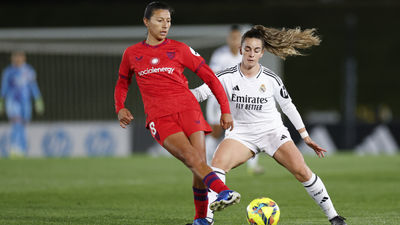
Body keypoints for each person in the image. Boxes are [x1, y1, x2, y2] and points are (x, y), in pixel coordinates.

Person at [191, 25, 347, 225]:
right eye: (247, 49)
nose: (251, 54)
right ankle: (207, 220)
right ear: (241, 50)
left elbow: (288, 106)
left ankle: (334, 216)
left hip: (272, 133)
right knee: (217, 165)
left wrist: (305, 136)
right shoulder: (225, 76)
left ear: (262, 53)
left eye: (256, 50)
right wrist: (176, 94)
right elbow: (201, 93)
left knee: (302, 171)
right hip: (241, 135)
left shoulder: (271, 79)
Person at [113, 2, 240, 225]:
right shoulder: (132, 53)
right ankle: (223, 191)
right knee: (192, 159)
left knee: (199, 164)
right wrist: (120, 106)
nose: (165, 26)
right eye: (160, 20)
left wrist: (225, 110)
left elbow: (211, 78)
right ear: (146, 22)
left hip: (189, 109)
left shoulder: (180, 49)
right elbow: (122, 83)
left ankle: (201, 220)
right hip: (160, 118)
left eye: (168, 21)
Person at [207, 24, 264, 175]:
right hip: (218, 99)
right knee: (215, 132)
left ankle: (253, 167)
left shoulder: (246, 55)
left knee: (252, 129)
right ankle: (207, 166)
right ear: (228, 38)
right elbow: (214, 77)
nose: (234, 40)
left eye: (237, 37)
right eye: (232, 37)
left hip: (241, 100)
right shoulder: (220, 54)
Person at [0, 51, 44, 157]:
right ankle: (15, 148)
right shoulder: (8, 72)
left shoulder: (29, 71)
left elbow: (33, 87)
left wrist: (38, 100)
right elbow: (4, 87)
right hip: (13, 101)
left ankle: (22, 149)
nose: (17, 59)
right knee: (16, 123)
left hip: (25, 102)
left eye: (19, 57)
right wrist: (1, 101)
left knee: (23, 125)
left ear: (23, 58)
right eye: (15, 57)